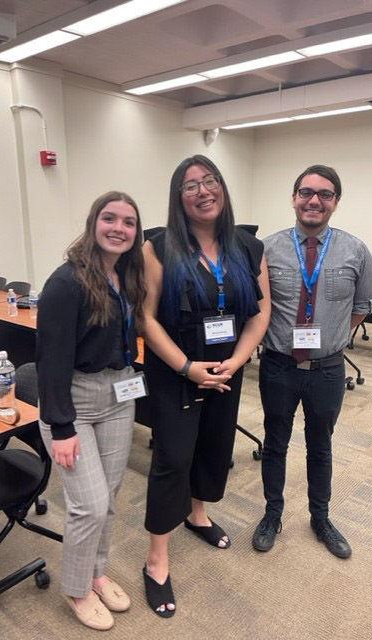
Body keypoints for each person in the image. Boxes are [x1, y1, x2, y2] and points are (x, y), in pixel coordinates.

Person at [142, 154, 271, 617]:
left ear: (222, 188)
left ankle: (197, 514)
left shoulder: (247, 248)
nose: (203, 190)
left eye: (210, 180)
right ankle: (157, 559)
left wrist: (236, 361)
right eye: (191, 185)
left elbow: (260, 313)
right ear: (179, 198)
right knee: (173, 458)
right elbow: (146, 319)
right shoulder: (158, 248)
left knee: (213, 447)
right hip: (177, 370)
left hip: (227, 370)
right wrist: (187, 367)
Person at [252, 164, 372, 559]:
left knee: (320, 446)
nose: (314, 200)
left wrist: (331, 338)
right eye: (306, 192)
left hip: (327, 370)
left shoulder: (356, 250)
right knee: (275, 444)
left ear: (335, 203)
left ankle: (320, 518)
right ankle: (273, 514)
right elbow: (258, 309)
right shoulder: (266, 250)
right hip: (278, 367)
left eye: (324, 194)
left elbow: (360, 308)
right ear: (293, 199)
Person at [37, 191, 145, 631]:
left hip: (119, 393)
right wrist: (61, 425)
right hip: (74, 400)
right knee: (90, 505)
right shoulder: (66, 282)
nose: (119, 228)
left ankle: (97, 572)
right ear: (93, 223)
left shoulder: (127, 275)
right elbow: (51, 358)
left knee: (111, 497)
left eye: (129, 222)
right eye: (110, 218)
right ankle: (77, 588)